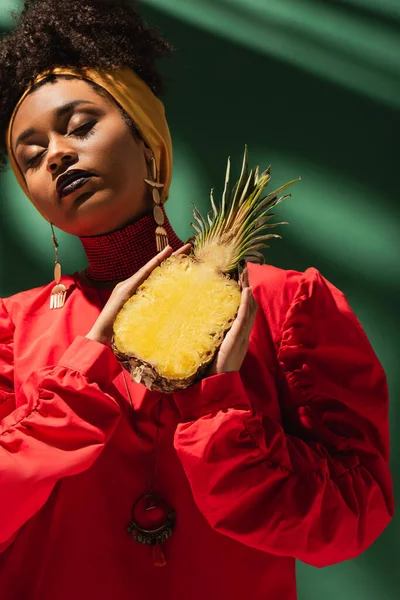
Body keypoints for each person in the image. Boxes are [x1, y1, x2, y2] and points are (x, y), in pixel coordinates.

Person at [0, 1, 394, 599]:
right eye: (30, 156)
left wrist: (220, 414)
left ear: (147, 134)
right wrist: (79, 383)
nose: (56, 154)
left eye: (80, 126)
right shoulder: (11, 329)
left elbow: (349, 523)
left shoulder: (283, 304)